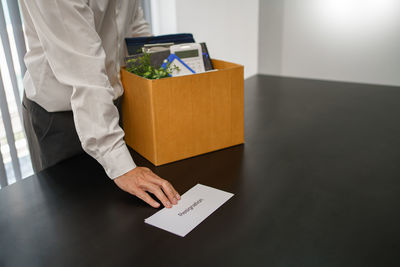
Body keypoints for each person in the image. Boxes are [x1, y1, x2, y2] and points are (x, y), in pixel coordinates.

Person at [20, 0, 180, 209]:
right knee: (75, 217)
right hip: (60, 115)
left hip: (109, 101)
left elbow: (135, 25)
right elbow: (85, 75)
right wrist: (121, 166)